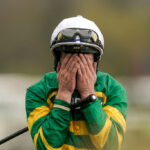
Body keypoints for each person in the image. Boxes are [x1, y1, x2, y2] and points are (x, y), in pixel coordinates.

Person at [25, 15, 128, 150]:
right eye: (70, 56)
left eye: (84, 56)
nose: (77, 63)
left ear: (95, 61)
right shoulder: (37, 91)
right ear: (58, 60)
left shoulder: (113, 89)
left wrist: (88, 93)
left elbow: (111, 145)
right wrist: (64, 94)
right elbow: (45, 146)